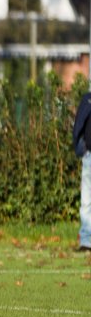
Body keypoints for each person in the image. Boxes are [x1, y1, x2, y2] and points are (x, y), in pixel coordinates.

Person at [75, 90, 91, 251]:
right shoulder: (87, 100)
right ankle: (86, 241)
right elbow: (79, 125)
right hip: (89, 157)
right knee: (86, 201)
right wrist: (82, 149)